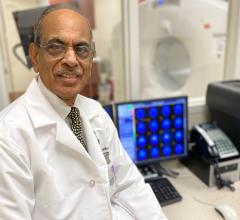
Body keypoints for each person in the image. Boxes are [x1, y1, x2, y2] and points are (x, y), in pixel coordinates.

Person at [0, 3, 167, 220]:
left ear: (90, 59)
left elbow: (128, 184)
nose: (71, 60)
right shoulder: (8, 136)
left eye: (81, 49)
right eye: (56, 46)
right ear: (34, 56)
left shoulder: (95, 112)